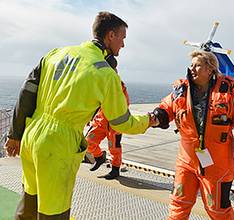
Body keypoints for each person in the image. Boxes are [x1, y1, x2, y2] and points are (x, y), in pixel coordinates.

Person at [3, 11, 159, 219]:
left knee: (29, 203)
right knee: (54, 211)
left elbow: (27, 92)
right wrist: (150, 119)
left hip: (31, 136)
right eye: (122, 38)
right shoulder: (105, 74)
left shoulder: (57, 53)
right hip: (58, 144)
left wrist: (15, 133)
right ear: (110, 35)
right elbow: (122, 122)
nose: (123, 45)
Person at [151, 50, 234, 219]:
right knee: (179, 203)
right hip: (187, 160)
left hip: (217, 164)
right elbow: (165, 108)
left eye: (197, 65)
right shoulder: (181, 91)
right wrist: (155, 117)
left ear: (210, 69)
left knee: (218, 208)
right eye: (191, 65)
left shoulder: (229, 95)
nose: (192, 69)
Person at [86, 55, 129, 180]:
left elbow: (125, 104)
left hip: (114, 123)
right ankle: (99, 157)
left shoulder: (119, 85)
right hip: (101, 120)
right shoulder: (100, 82)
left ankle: (115, 169)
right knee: (88, 141)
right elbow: (94, 101)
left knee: (114, 147)